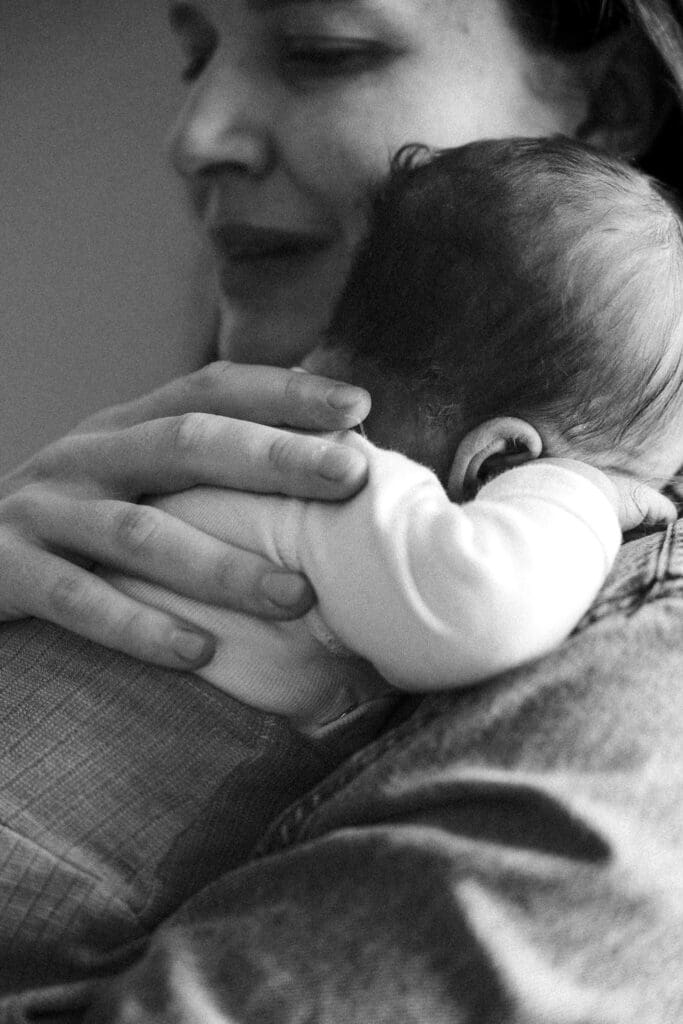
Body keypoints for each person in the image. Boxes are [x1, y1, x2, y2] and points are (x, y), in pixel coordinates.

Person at [2, 1, 683, 1020]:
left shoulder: (639, 679)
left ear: (612, 101)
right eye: (193, 57)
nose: (193, 136)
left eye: (324, 51)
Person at [110, 137, 683, 728]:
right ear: (500, 467)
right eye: (627, 489)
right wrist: (581, 495)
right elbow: (482, 613)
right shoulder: (339, 480)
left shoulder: (250, 444)